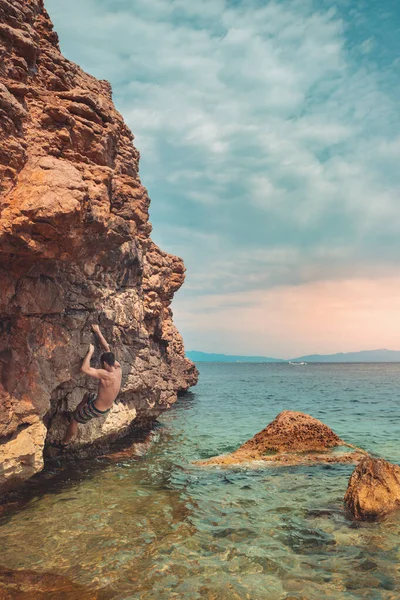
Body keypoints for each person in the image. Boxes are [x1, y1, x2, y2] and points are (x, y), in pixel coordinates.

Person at [59, 324, 122, 447]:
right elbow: (107, 348)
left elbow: (84, 368)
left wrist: (90, 352)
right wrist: (98, 331)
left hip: (96, 409)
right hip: (107, 407)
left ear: (104, 363)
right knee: (88, 395)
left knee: (75, 421)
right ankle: (77, 412)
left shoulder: (105, 374)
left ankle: (63, 443)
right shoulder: (118, 368)